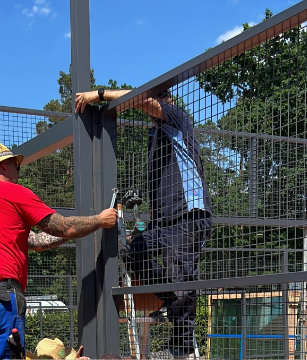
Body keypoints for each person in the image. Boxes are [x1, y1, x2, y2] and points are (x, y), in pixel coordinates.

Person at [75, 88, 212, 359]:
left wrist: (100, 94)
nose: (153, 107)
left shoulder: (177, 118)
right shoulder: (155, 134)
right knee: (132, 255)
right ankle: (171, 299)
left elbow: (142, 100)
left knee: (183, 277)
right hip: (162, 220)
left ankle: (181, 347)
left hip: (189, 214)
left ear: (167, 100)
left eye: (158, 99)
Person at [0, 141, 118, 360]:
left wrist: (71, 234)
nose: (18, 172)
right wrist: (100, 220)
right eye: (16, 166)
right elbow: (65, 227)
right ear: (3, 165)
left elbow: (36, 242)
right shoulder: (11, 191)